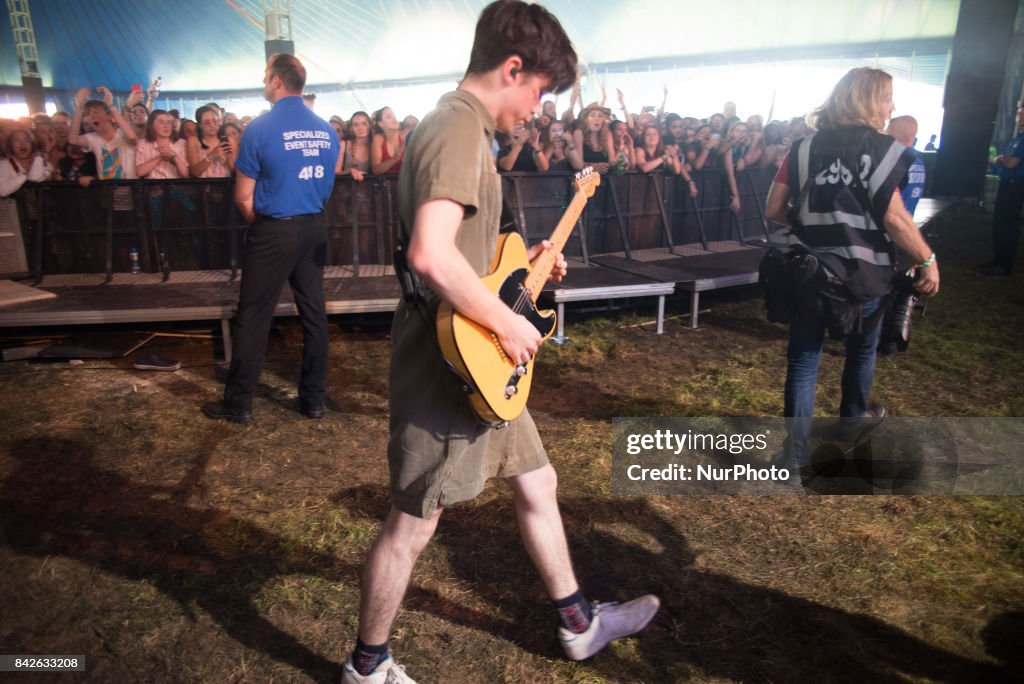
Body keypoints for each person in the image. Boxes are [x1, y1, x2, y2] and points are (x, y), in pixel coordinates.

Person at [342, 3, 659, 682]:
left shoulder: (462, 127)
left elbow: (463, 253)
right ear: (512, 68)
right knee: (414, 521)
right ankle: (367, 667)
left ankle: (579, 624)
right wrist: (512, 321)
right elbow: (430, 255)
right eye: (539, 90)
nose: (538, 109)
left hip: (476, 355)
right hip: (452, 364)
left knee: (537, 480)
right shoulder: (459, 126)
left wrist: (526, 267)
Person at [764, 67, 940, 478]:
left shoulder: (803, 148)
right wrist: (928, 260)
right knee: (862, 349)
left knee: (804, 361)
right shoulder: (885, 150)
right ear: (867, 101)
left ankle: (793, 455)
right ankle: (851, 420)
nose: (892, 106)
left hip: (810, 270)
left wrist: (815, 220)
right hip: (866, 273)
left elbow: (773, 209)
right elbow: (895, 219)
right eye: (887, 97)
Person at [202, 53, 339, 425]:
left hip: (274, 228)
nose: (264, 82)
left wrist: (264, 227)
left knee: (253, 316)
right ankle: (312, 400)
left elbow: (243, 197)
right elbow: (326, 186)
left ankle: (239, 403)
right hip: (313, 226)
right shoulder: (327, 131)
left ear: (277, 81)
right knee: (314, 314)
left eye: (266, 77)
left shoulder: (260, 129)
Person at [979, 104, 1024, 276]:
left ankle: (1004, 264)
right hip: (1008, 182)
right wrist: (1002, 159)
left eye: (1021, 113)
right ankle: (998, 260)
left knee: (1007, 223)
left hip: (1016, 184)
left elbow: (1010, 162)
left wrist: (1000, 159)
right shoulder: (1017, 138)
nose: (1018, 117)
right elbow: (1004, 158)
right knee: (1000, 222)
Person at [886, 115, 925, 217]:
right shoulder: (918, 163)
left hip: (887, 225)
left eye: (888, 131)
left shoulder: (895, 162)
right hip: (905, 222)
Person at [0, 128, 53, 197]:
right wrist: (25, 176)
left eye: (27, 140)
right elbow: (2, 190)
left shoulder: (41, 162)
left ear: (32, 143)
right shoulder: (4, 165)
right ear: (11, 144)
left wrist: (38, 156)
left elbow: (35, 177)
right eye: (17, 140)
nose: (22, 144)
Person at [186, 105, 230, 178]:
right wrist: (211, 156)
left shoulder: (226, 139)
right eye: (207, 122)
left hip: (226, 185)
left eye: (215, 121)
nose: (212, 125)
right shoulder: (193, 141)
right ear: (200, 124)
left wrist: (229, 158)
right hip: (204, 186)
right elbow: (194, 172)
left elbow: (234, 170)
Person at [370, 106, 405, 175]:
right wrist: (394, 159)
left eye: (394, 116)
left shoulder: (406, 135)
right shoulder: (378, 139)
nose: (394, 119)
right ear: (381, 124)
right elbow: (376, 170)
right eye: (389, 117)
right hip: (386, 183)